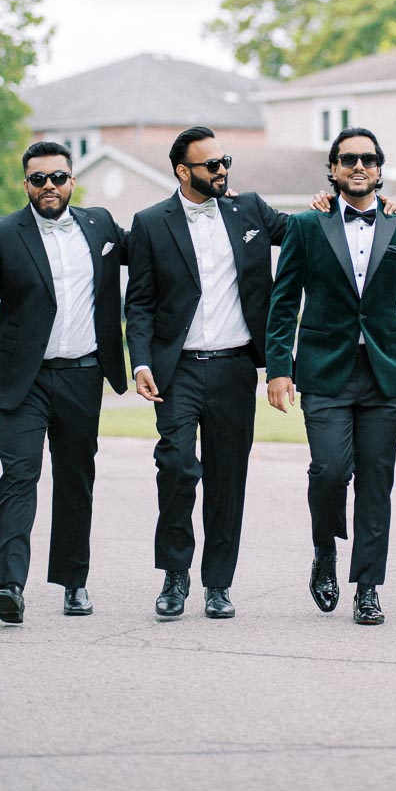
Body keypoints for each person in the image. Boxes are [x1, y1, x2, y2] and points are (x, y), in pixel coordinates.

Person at [266, 127, 396, 626]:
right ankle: (325, 548)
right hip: (324, 371)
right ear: (334, 169)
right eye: (348, 160)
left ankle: (368, 587)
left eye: (367, 159)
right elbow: (283, 304)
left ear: (380, 169)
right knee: (328, 470)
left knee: (376, 482)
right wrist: (279, 367)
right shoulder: (306, 226)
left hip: (387, 373)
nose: (358, 166)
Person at [0, 141, 128, 624]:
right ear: (25, 183)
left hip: (82, 375)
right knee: (20, 476)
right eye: (38, 179)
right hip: (20, 382)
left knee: (76, 481)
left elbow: (156, 246)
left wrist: (211, 199)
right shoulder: (1, 235)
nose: (48, 186)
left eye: (57, 177)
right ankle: (10, 585)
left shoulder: (102, 227)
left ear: (72, 180)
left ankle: (74, 583)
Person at [125, 126, 288, 621]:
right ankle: (176, 575)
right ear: (183, 171)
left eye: (225, 162)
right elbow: (140, 304)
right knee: (175, 467)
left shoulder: (251, 210)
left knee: (227, 478)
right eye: (211, 165)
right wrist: (143, 361)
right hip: (179, 371)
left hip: (236, 366)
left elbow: (313, 230)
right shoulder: (151, 223)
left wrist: (394, 210)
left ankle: (219, 583)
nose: (222, 171)